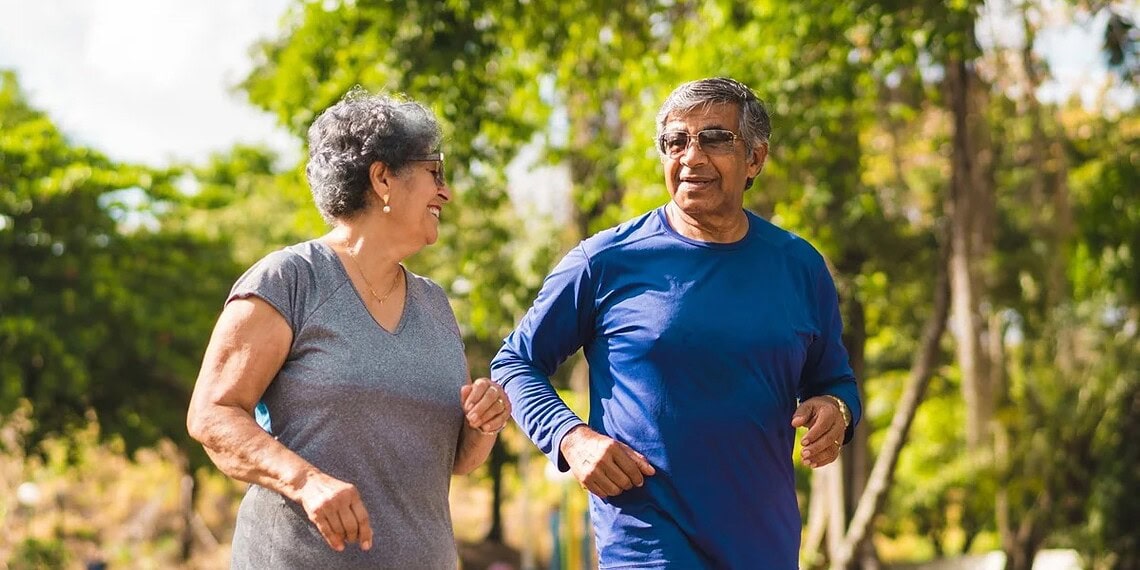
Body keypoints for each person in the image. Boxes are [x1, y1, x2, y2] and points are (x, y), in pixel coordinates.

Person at [490, 77, 861, 569]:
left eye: (714, 139)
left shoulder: (800, 267)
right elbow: (514, 363)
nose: (692, 157)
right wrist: (570, 438)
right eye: (676, 142)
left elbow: (834, 379)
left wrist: (837, 409)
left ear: (755, 158)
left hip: (764, 547)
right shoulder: (604, 262)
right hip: (646, 547)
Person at [186, 88, 512, 569]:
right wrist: (306, 481)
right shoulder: (289, 280)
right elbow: (212, 416)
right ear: (383, 178)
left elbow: (458, 461)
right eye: (434, 172)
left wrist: (484, 424)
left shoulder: (436, 304)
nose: (446, 191)